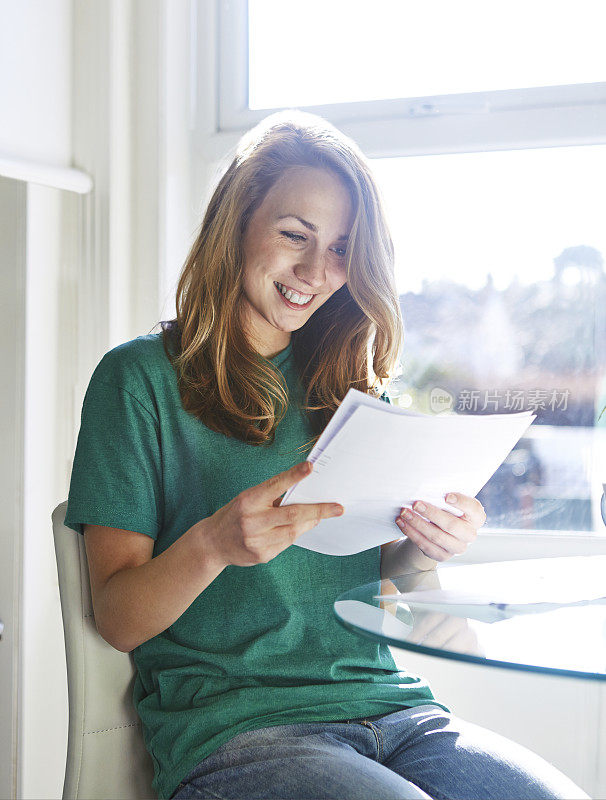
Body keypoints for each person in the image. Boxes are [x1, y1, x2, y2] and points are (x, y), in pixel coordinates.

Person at [64, 110, 590, 800]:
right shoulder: (136, 380)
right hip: (237, 733)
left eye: (342, 249)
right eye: (295, 236)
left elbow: (379, 581)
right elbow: (117, 619)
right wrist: (214, 544)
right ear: (237, 225)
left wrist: (424, 546)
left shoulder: (349, 392)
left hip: (395, 711)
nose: (317, 271)